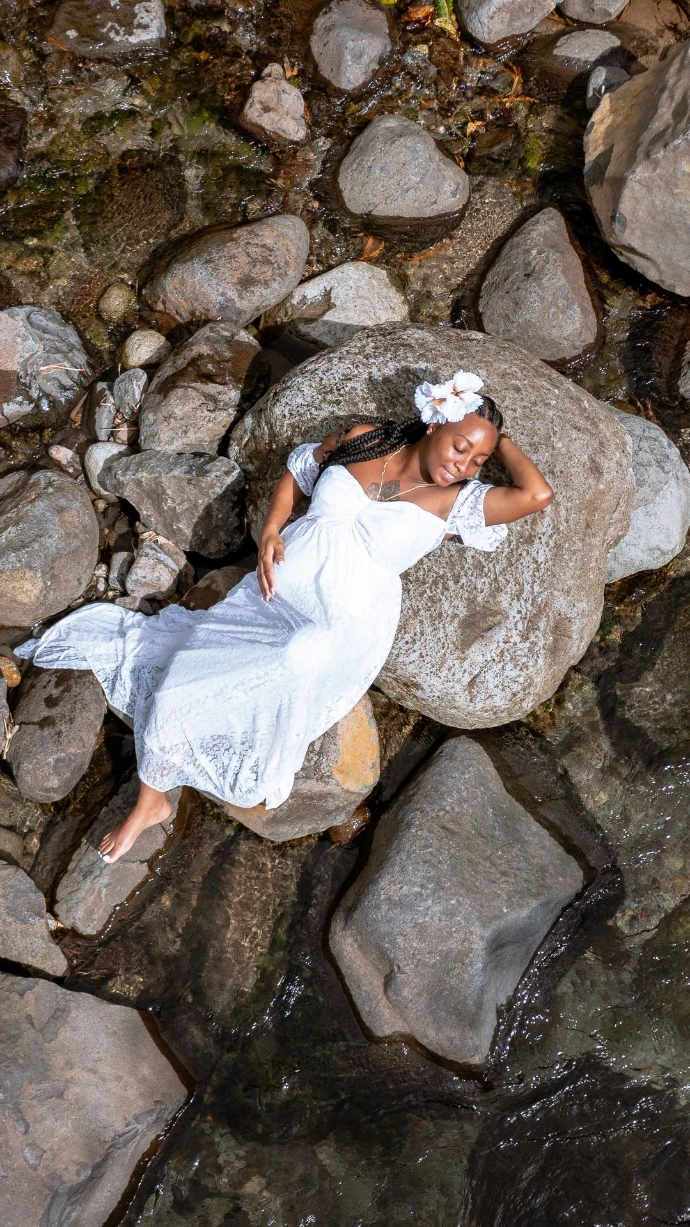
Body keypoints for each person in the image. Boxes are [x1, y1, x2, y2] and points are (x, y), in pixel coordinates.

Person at [14, 370, 552, 863]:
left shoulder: (456, 502)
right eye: (460, 445)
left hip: (342, 624)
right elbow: (297, 475)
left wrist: (490, 429)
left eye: (478, 461)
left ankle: (159, 790)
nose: (464, 463)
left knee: (300, 654)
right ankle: (152, 799)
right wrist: (272, 529)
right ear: (434, 423)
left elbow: (536, 494)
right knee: (179, 682)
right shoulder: (368, 438)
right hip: (272, 597)